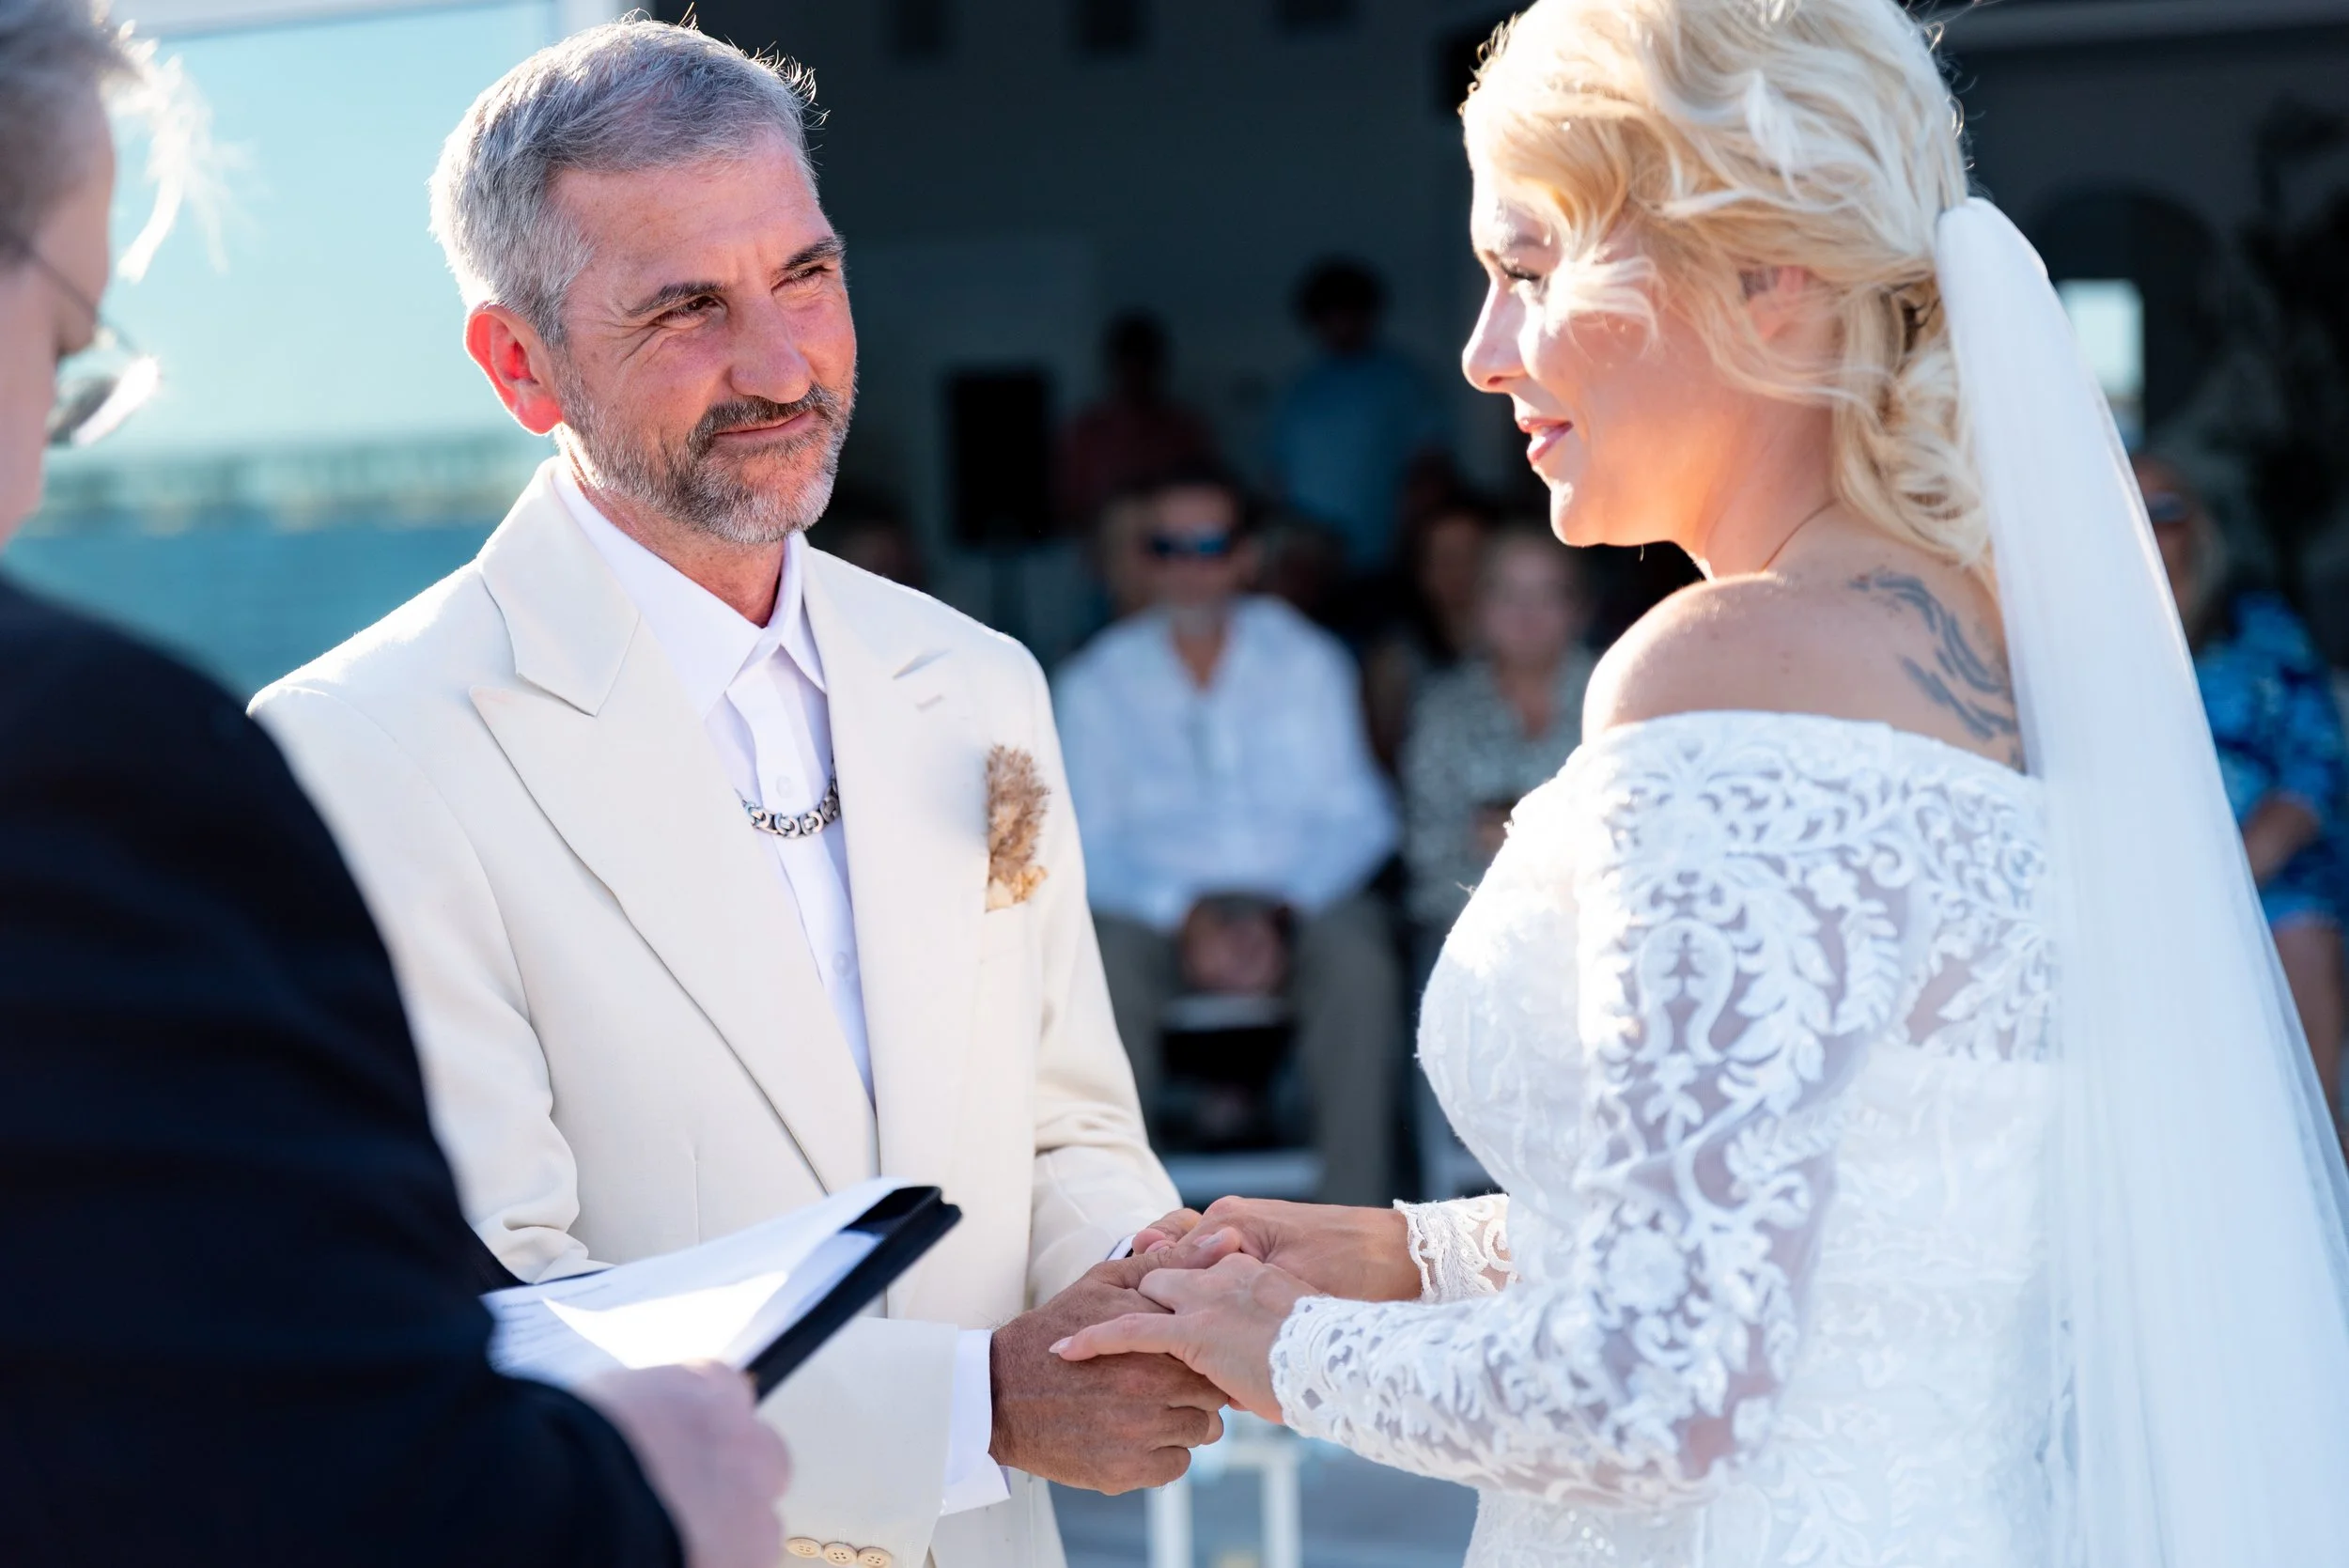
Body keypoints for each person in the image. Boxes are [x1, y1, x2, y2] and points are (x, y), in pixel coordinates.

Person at [1064, 3, 2349, 1565]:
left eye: (1529, 270)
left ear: (1765, 275)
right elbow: (1860, 1227)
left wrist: (1278, 1347)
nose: (1481, 351)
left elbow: (1657, 1389)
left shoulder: (1727, 666)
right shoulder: (2023, 659)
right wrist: (1413, 1253)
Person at [247, 24, 1219, 1568]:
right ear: (519, 365)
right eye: (687, 306)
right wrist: (973, 1406)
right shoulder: (360, 744)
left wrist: (1155, 1293)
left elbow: (1065, 1125)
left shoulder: (975, 680)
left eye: (806, 275)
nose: (782, 365)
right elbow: (485, 1304)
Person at [0, 3, 789, 1563]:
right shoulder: (89, 761)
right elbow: (313, 1468)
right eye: (65, 355)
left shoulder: (973, 678)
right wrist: (642, 1493)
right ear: (519, 364)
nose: (42, 460)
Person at [1054, 468, 1404, 1204]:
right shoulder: (1094, 683)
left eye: (1209, 544)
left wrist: (1283, 911)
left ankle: (1357, 1218)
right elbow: (1081, 842)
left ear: (1247, 556)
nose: (1189, 566)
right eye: (1166, 546)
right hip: (1152, 910)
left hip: (1298, 897)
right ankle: (1122, 1223)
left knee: (1362, 961)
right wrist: (1183, 915)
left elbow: (1361, 814)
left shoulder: (1309, 660)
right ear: (1143, 559)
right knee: (1096, 966)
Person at [2139, 452, 2346, 1128]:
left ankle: (2320, 1142)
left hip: (2266, 863)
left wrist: (2233, 869)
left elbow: (2315, 756)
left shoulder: (2258, 623)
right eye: (2132, 507)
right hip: (2141, 868)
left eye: (2167, 510)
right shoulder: (2078, 634)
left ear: (2199, 527)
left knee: (2302, 926)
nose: (2151, 526)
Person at [1399, 522, 1594, 967]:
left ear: (1580, 609)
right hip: (1476, 934)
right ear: (1478, 605)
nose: (1527, 614)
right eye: (1507, 594)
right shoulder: (1443, 710)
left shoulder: (1622, 695)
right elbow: (1428, 858)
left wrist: (1521, 838)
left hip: (1597, 926)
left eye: (1548, 595)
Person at [1266, 258, 1449, 575]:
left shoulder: (1403, 381)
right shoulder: (1299, 388)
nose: (1340, 324)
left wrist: (1413, 538)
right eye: (1329, 315)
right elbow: (1277, 475)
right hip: (1307, 559)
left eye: (1348, 312)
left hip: (1378, 552)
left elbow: (1429, 464)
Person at [1361, 493, 1495, 770]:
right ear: (1422, 572)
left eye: (1473, 555)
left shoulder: (1530, 641)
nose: (1461, 571)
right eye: (1447, 559)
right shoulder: (1395, 660)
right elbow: (1382, 761)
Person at [1057, 310, 1219, 531]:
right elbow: (1068, 504)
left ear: (1159, 367)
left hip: (1170, 541)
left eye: (1144, 366)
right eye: (1129, 366)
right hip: (1098, 542)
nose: (1136, 376)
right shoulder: (1086, 432)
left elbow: (1205, 498)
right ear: (1114, 367)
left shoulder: (1185, 429)